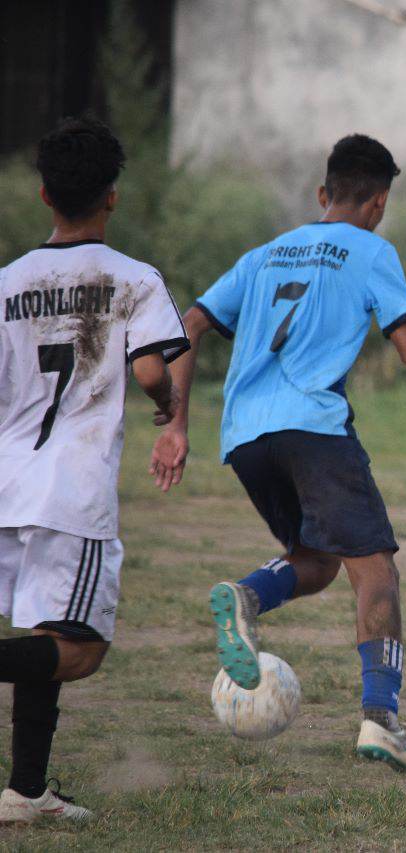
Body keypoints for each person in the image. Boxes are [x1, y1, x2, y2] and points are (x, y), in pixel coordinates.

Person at [150, 134, 406, 776]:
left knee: (318, 561)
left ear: (322, 193)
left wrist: (177, 424)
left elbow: (187, 324)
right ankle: (382, 720)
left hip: (245, 436)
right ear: (379, 202)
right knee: (376, 571)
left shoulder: (264, 254)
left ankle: (247, 595)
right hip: (313, 428)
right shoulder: (371, 250)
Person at [0, 118, 188, 821]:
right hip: (69, 489)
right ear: (112, 195)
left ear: (44, 194)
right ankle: (26, 789)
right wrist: (168, 405)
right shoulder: (133, 279)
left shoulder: (8, 282)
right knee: (81, 649)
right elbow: (150, 370)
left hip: (7, 481)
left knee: (48, 630)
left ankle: (26, 791)